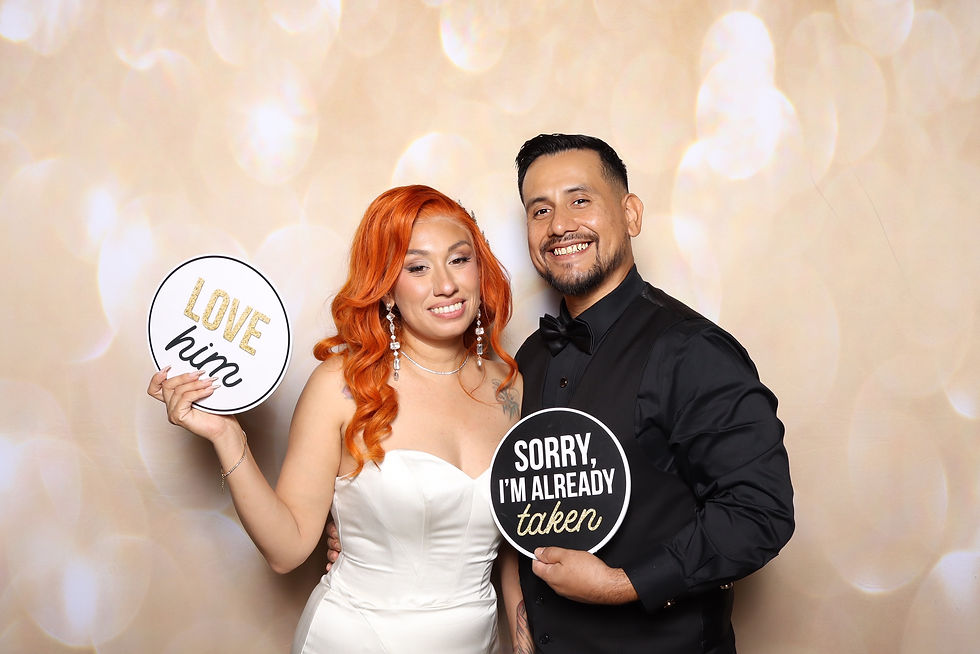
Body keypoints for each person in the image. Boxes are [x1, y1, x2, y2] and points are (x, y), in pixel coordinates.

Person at [147, 185, 531, 654]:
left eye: (459, 259)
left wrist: (522, 637)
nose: (445, 284)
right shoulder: (342, 385)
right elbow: (287, 549)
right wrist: (227, 436)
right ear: (386, 289)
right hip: (357, 639)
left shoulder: (510, 387)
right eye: (417, 267)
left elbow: (514, 540)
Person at [511, 133, 795, 653]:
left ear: (631, 215)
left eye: (580, 200)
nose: (559, 226)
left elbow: (759, 513)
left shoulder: (692, 350)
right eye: (540, 210)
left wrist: (622, 585)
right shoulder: (529, 359)